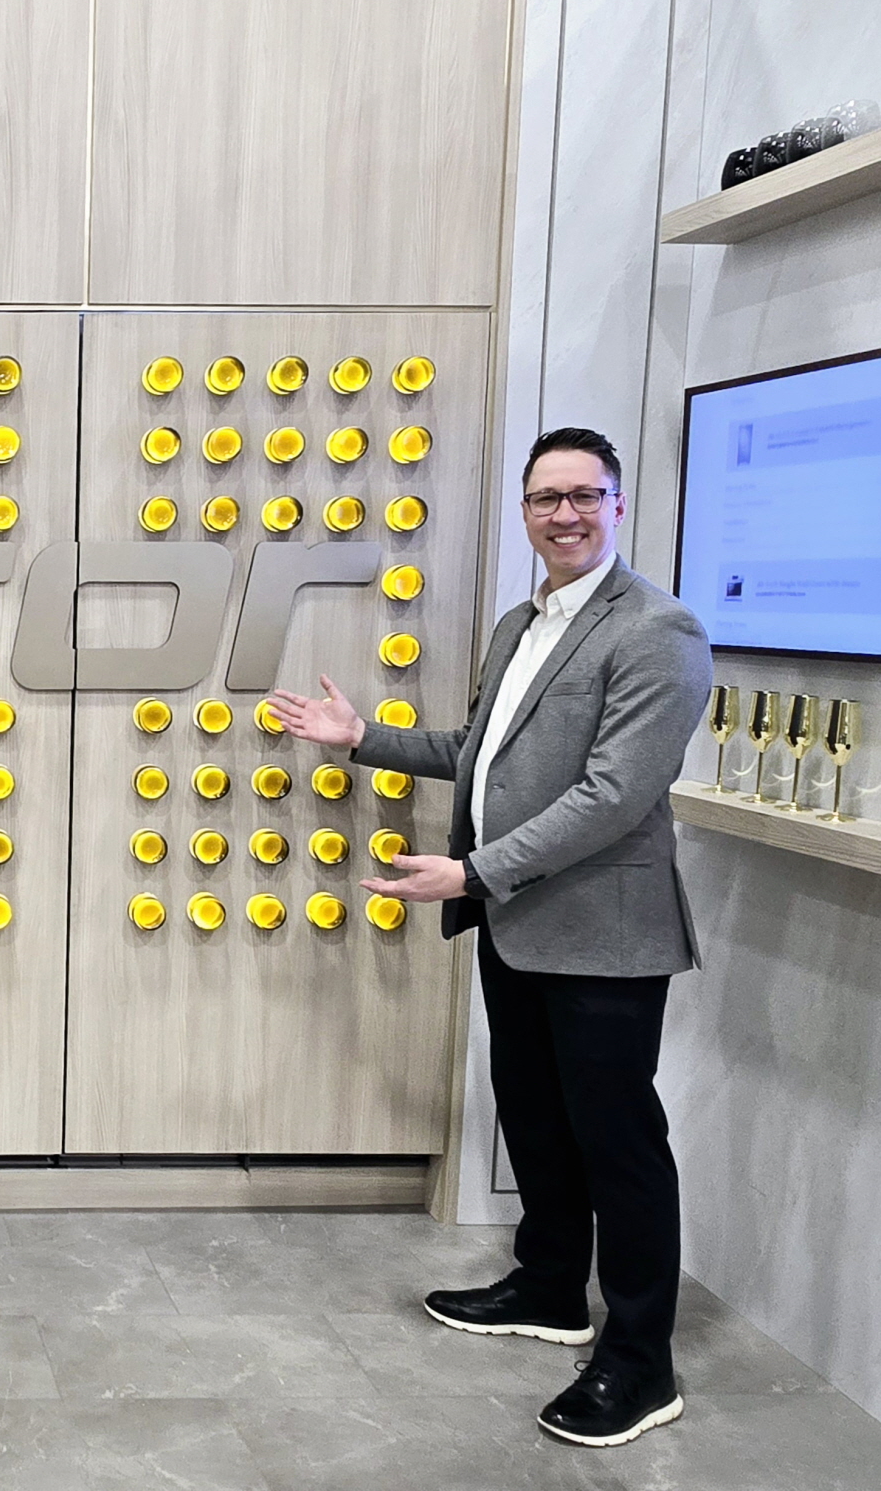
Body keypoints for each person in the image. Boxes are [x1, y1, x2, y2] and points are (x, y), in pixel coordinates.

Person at [268, 428, 711, 1449]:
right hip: (519, 924)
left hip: (602, 935)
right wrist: (362, 738)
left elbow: (612, 795)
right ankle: (549, 1286)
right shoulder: (521, 623)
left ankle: (640, 1360)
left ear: (616, 504)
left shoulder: (658, 629)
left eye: (582, 495)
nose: (563, 514)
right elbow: (481, 754)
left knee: (618, 1144)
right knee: (537, 1120)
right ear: (523, 511)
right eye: (544, 497)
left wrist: (470, 872)